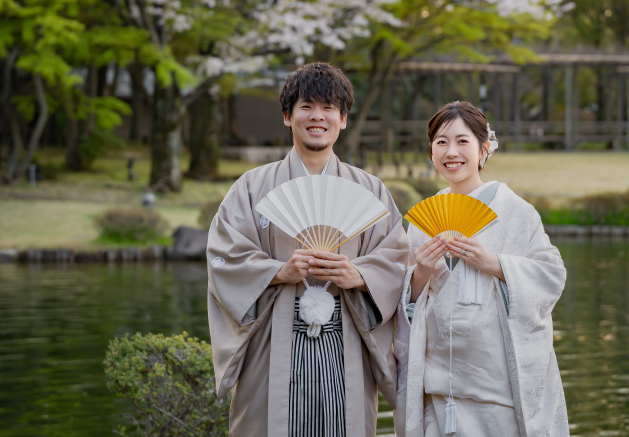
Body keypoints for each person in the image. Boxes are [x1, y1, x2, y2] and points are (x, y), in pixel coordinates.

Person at [206, 62, 409, 437]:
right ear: (288, 116)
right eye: (306, 107)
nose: (318, 117)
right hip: (272, 339)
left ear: (343, 119)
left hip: (345, 336)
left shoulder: (370, 190)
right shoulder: (251, 187)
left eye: (329, 108)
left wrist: (361, 275)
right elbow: (224, 257)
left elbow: (397, 259)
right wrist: (277, 271)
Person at [394, 101, 569, 437]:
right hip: (438, 389)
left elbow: (551, 276)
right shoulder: (422, 222)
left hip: (497, 391)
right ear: (431, 151)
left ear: (483, 149)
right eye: (441, 142)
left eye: (462, 141)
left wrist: (497, 264)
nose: (451, 151)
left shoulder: (517, 212)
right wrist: (420, 274)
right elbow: (403, 304)